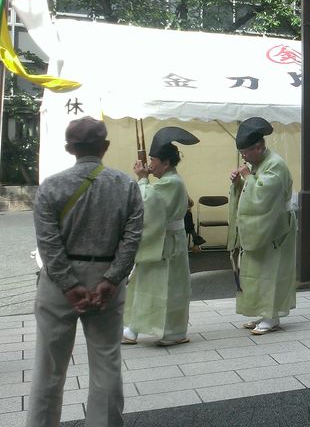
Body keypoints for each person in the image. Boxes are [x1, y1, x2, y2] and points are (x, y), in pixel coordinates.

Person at [27, 117, 143, 427]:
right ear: (105, 146)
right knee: (107, 360)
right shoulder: (126, 185)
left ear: (69, 148)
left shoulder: (51, 186)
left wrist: (68, 284)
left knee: (49, 368)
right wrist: (112, 279)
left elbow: (48, 242)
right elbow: (132, 238)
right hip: (106, 275)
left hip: (58, 284)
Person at [122, 127, 199, 346]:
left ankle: (172, 332)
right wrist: (144, 181)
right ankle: (133, 328)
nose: (150, 164)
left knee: (169, 288)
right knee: (146, 284)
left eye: (153, 160)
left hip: (168, 243)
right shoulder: (168, 181)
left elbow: (150, 206)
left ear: (165, 163)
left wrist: (143, 180)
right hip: (161, 241)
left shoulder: (172, 182)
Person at [227, 117, 297, 334]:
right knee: (257, 272)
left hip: (276, 227)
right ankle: (263, 311)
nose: (243, 156)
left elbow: (264, 197)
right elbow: (252, 189)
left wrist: (247, 177)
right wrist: (239, 182)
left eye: (245, 152)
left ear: (258, 147)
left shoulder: (276, 164)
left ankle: (272, 316)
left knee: (272, 272)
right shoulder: (258, 164)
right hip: (263, 226)